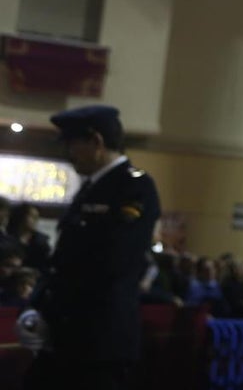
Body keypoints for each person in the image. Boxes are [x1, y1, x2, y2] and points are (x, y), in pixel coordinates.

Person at [21, 104, 161, 390]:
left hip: (99, 340)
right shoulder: (91, 189)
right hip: (68, 335)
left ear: (96, 141)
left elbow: (112, 261)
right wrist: (38, 308)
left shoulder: (134, 187)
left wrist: (55, 311)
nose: (68, 153)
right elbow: (62, 260)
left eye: (72, 144)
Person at [7, 203, 52, 274]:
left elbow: (44, 267)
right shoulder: (6, 238)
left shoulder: (41, 242)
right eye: (32, 216)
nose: (35, 220)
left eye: (37, 217)